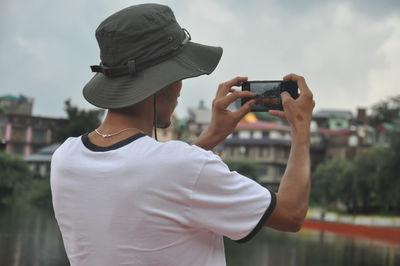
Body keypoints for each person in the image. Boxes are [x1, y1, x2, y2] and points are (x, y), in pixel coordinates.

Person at [51, 3, 315, 266]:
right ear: (161, 82)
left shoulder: (65, 159)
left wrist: (211, 135)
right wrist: (301, 130)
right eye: (180, 76)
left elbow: (156, 180)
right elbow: (291, 214)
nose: (179, 89)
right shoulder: (184, 167)